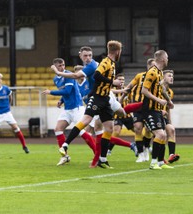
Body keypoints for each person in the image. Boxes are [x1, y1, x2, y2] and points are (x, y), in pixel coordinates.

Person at [59, 40, 125, 169]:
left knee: (109, 128)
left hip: (105, 99)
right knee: (86, 120)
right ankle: (65, 144)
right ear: (117, 51)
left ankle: (103, 160)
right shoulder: (105, 62)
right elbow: (97, 75)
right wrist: (113, 82)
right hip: (97, 97)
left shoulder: (112, 63)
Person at [42, 58, 95, 166]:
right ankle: (65, 156)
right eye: (60, 66)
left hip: (77, 108)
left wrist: (50, 92)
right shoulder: (56, 79)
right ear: (55, 67)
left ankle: (97, 155)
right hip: (67, 109)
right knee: (57, 129)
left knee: (81, 131)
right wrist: (61, 100)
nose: (62, 67)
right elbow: (65, 93)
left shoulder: (68, 75)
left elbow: (68, 90)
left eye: (63, 65)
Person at [141, 50, 174, 170]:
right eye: (167, 57)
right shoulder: (152, 72)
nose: (168, 60)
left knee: (163, 135)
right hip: (149, 109)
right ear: (162, 59)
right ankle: (153, 162)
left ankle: (160, 162)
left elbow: (161, 89)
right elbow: (144, 91)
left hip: (158, 109)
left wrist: (168, 100)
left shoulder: (159, 72)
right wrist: (158, 100)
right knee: (159, 134)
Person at [0, 72, 29, 155]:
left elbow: (10, 95)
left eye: (1, 79)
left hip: (7, 112)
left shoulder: (5, 88)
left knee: (16, 127)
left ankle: (24, 146)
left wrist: (9, 104)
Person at [122, 58, 155, 162]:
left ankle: (146, 147)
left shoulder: (157, 77)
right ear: (148, 66)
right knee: (137, 128)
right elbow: (129, 87)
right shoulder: (139, 76)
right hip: (137, 106)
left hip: (150, 106)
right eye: (152, 66)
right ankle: (141, 153)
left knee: (149, 130)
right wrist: (121, 99)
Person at [107, 73, 138, 157]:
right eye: (120, 79)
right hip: (117, 115)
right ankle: (109, 149)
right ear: (115, 80)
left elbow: (131, 101)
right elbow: (110, 91)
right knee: (116, 131)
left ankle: (142, 146)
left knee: (138, 130)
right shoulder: (111, 90)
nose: (122, 81)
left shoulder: (127, 90)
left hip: (127, 115)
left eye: (123, 80)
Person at [161, 69, 180, 163]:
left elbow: (168, 108)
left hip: (163, 116)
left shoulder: (170, 92)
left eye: (172, 76)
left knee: (171, 129)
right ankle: (145, 150)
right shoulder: (157, 88)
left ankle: (171, 155)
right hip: (153, 114)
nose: (171, 78)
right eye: (169, 76)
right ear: (163, 77)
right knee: (160, 135)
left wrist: (170, 122)